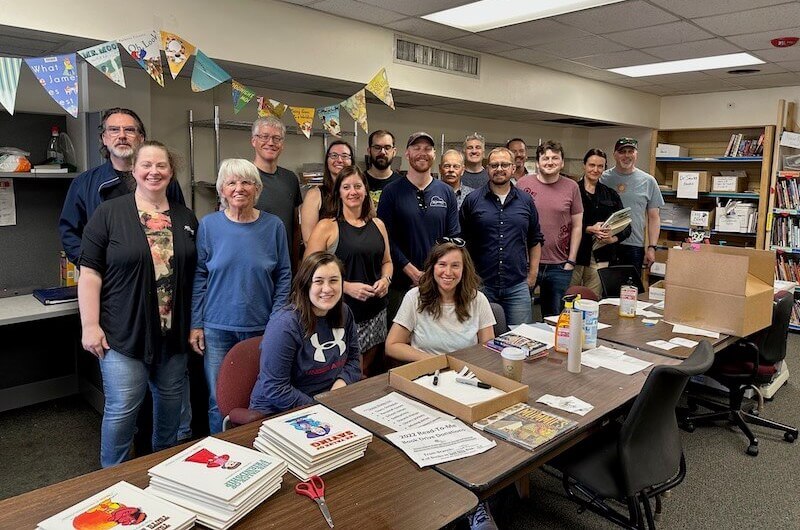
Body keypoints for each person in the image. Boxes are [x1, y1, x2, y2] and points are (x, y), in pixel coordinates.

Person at [78, 141, 198, 468]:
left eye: (161, 165)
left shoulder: (185, 217)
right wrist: (90, 326)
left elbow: (194, 276)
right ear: (134, 170)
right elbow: (89, 272)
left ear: (171, 172)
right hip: (123, 334)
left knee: (170, 410)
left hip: (172, 337)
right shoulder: (109, 213)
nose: (153, 171)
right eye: (146, 165)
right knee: (122, 411)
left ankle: (163, 470)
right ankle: (111, 481)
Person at [190, 158, 291, 434]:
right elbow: (199, 276)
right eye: (231, 182)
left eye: (246, 182)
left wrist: (277, 322)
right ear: (221, 190)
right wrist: (196, 324)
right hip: (217, 328)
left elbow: (284, 276)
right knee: (218, 401)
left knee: (260, 398)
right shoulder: (209, 226)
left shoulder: (274, 227)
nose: (239, 188)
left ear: (256, 188)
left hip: (261, 327)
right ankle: (220, 453)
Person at [59, 107, 185, 265]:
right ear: (104, 138)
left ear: (141, 138)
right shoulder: (84, 184)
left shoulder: (164, 181)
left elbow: (180, 226)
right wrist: (92, 268)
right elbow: (70, 234)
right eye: (113, 130)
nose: (122, 136)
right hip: (108, 281)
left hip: (159, 274)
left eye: (129, 130)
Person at [249, 252, 362, 415]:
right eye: (318, 281)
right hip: (278, 410)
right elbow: (275, 388)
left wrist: (337, 390)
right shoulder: (285, 325)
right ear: (305, 284)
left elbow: (353, 360)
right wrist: (320, 408)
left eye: (334, 281)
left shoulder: (344, 312)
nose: (327, 288)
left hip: (327, 404)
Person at [305, 165, 392, 376]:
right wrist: (346, 287)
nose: (353, 191)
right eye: (346, 187)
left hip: (375, 313)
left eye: (357, 186)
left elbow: (387, 262)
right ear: (339, 193)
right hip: (341, 315)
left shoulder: (378, 224)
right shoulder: (327, 227)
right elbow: (308, 272)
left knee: (368, 372)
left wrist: (386, 280)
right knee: (346, 373)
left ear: (365, 190)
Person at [377, 132, 460, 321]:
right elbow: (385, 238)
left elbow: (453, 237)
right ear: (407, 154)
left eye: (427, 149)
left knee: (436, 338)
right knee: (398, 341)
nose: (422, 153)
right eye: (416, 148)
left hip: (439, 281)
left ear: (434, 154)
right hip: (400, 284)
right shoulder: (391, 192)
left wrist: (434, 272)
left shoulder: (446, 192)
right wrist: (410, 270)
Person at [461, 147, 543, 326]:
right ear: (487, 168)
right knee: (481, 341)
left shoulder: (526, 201)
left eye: (504, 164)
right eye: (494, 165)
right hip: (481, 284)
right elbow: (462, 243)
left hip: (517, 285)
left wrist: (532, 275)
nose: (499, 169)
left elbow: (535, 239)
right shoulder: (472, 200)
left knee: (520, 338)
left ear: (513, 168)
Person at [386, 240, 495, 361]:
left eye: (455, 265)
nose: (448, 272)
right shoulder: (414, 297)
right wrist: (436, 361)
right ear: (432, 267)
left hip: (466, 372)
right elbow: (392, 345)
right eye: (442, 264)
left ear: (464, 269)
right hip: (428, 372)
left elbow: (488, 349)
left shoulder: (478, 299)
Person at [518, 140, 583, 317]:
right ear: (538, 162)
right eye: (545, 158)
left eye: (555, 158)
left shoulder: (572, 187)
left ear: (562, 163)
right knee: (520, 315)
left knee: (554, 317)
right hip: (526, 263)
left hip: (559, 266)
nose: (550, 162)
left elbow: (577, 226)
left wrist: (571, 260)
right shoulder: (523, 184)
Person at [572, 149, 631, 297]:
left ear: (604, 168)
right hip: (575, 254)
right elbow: (563, 223)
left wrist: (613, 238)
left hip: (601, 255)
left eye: (600, 166)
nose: (595, 170)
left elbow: (627, 227)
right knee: (568, 299)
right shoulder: (572, 191)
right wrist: (588, 229)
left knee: (592, 301)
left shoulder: (610, 194)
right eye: (592, 165)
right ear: (584, 165)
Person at [601, 137, 665, 274]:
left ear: (636, 154)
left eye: (631, 151)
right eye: (622, 152)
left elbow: (654, 217)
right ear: (615, 154)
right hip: (605, 244)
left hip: (633, 246)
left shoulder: (648, 181)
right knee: (604, 291)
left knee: (629, 291)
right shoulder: (603, 178)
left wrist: (652, 247)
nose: (626, 155)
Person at [251, 116, 303, 266]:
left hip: (283, 264)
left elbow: (295, 227)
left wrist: (295, 266)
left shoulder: (290, 179)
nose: (271, 143)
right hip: (253, 262)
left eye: (276, 138)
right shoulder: (243, 177)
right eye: (264, 137)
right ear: (253, 141)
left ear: (282, 144)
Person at [300, 140, 354, 244]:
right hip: (327, 257)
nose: (339, 160)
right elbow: (309, 241)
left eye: (345, 156)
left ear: (352, 161)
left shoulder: (360, 193)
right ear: (327, 161)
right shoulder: (315, 195)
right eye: (334, 155)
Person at [365, 130, 403, 208]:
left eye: (387, 147)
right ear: (369, 151)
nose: (382, 152)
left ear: (394, 152)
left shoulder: (403, 184)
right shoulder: (359, 180)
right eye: (377, 147)